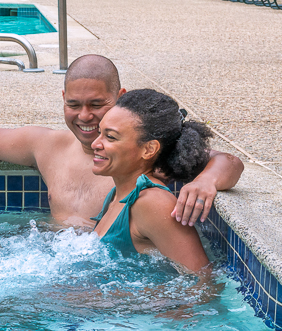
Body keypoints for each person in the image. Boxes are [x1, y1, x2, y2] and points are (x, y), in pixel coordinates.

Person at [0, 54, 243, 227]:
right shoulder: (47, 146)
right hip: (51, 255)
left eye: (98, 105)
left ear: (121, 97)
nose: (85, 117)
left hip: (93, 276)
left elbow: (227, 161)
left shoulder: (140, 154)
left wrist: (207, 180)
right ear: (63, 98)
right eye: (74, 104)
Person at [90, 89, 212, 272]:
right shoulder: (118, 193)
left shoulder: (153, 203)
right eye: (100, 133)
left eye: (110, 137)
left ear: (148, 149)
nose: (95, 144)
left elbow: (203, 284)